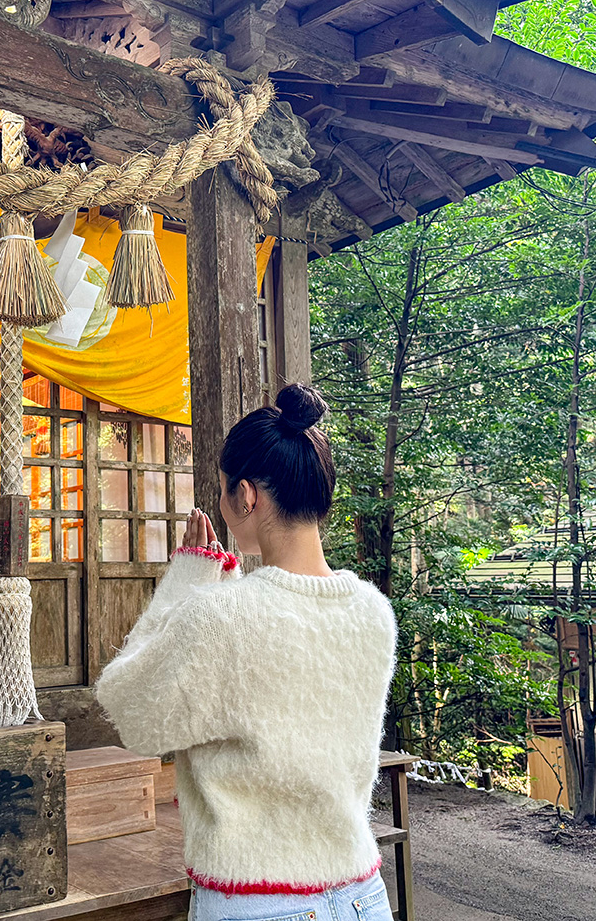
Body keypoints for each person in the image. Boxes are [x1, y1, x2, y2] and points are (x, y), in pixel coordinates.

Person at [95, 383, 398, 921]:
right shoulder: (373, 612)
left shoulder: (221, 617)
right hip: (361, 895)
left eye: (222, 491)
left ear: (247, 496)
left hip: (258, 903)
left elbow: (129, 708)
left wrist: (189, 578)